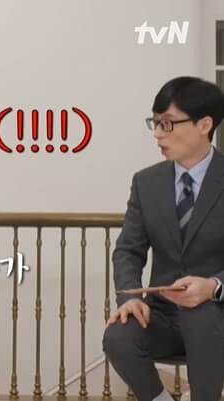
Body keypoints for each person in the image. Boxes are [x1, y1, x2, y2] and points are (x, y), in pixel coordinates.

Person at [103, 77, 224, 401]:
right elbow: (128, 250)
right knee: (119, 336)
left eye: (167, 124)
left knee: (202, 316)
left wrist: (213, 286)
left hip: (217, 314)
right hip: (163, 316)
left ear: (204, 124)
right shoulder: (147, 182)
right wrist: (129, 298)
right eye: (154, 123)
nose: (157, 133)